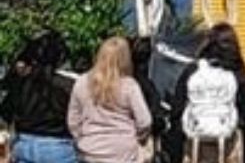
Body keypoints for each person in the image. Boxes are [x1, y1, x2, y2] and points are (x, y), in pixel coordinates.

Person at [164, 24, 245, 163]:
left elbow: (177, 111)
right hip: (228, 146)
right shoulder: (237, 74)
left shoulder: (193, 70)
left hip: (195, 146)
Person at [67, 37, 153, 163]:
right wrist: (138, 137)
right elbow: (144, 121)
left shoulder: (82, 82)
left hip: (90, 149)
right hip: (122, 152)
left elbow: (73, 120)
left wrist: (82, 137)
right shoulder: (129, 86)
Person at [1, 32, 76, 163]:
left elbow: (5, 113)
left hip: (24, 144)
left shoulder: (22, 83)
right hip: (59, 146)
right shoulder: (67, 86)